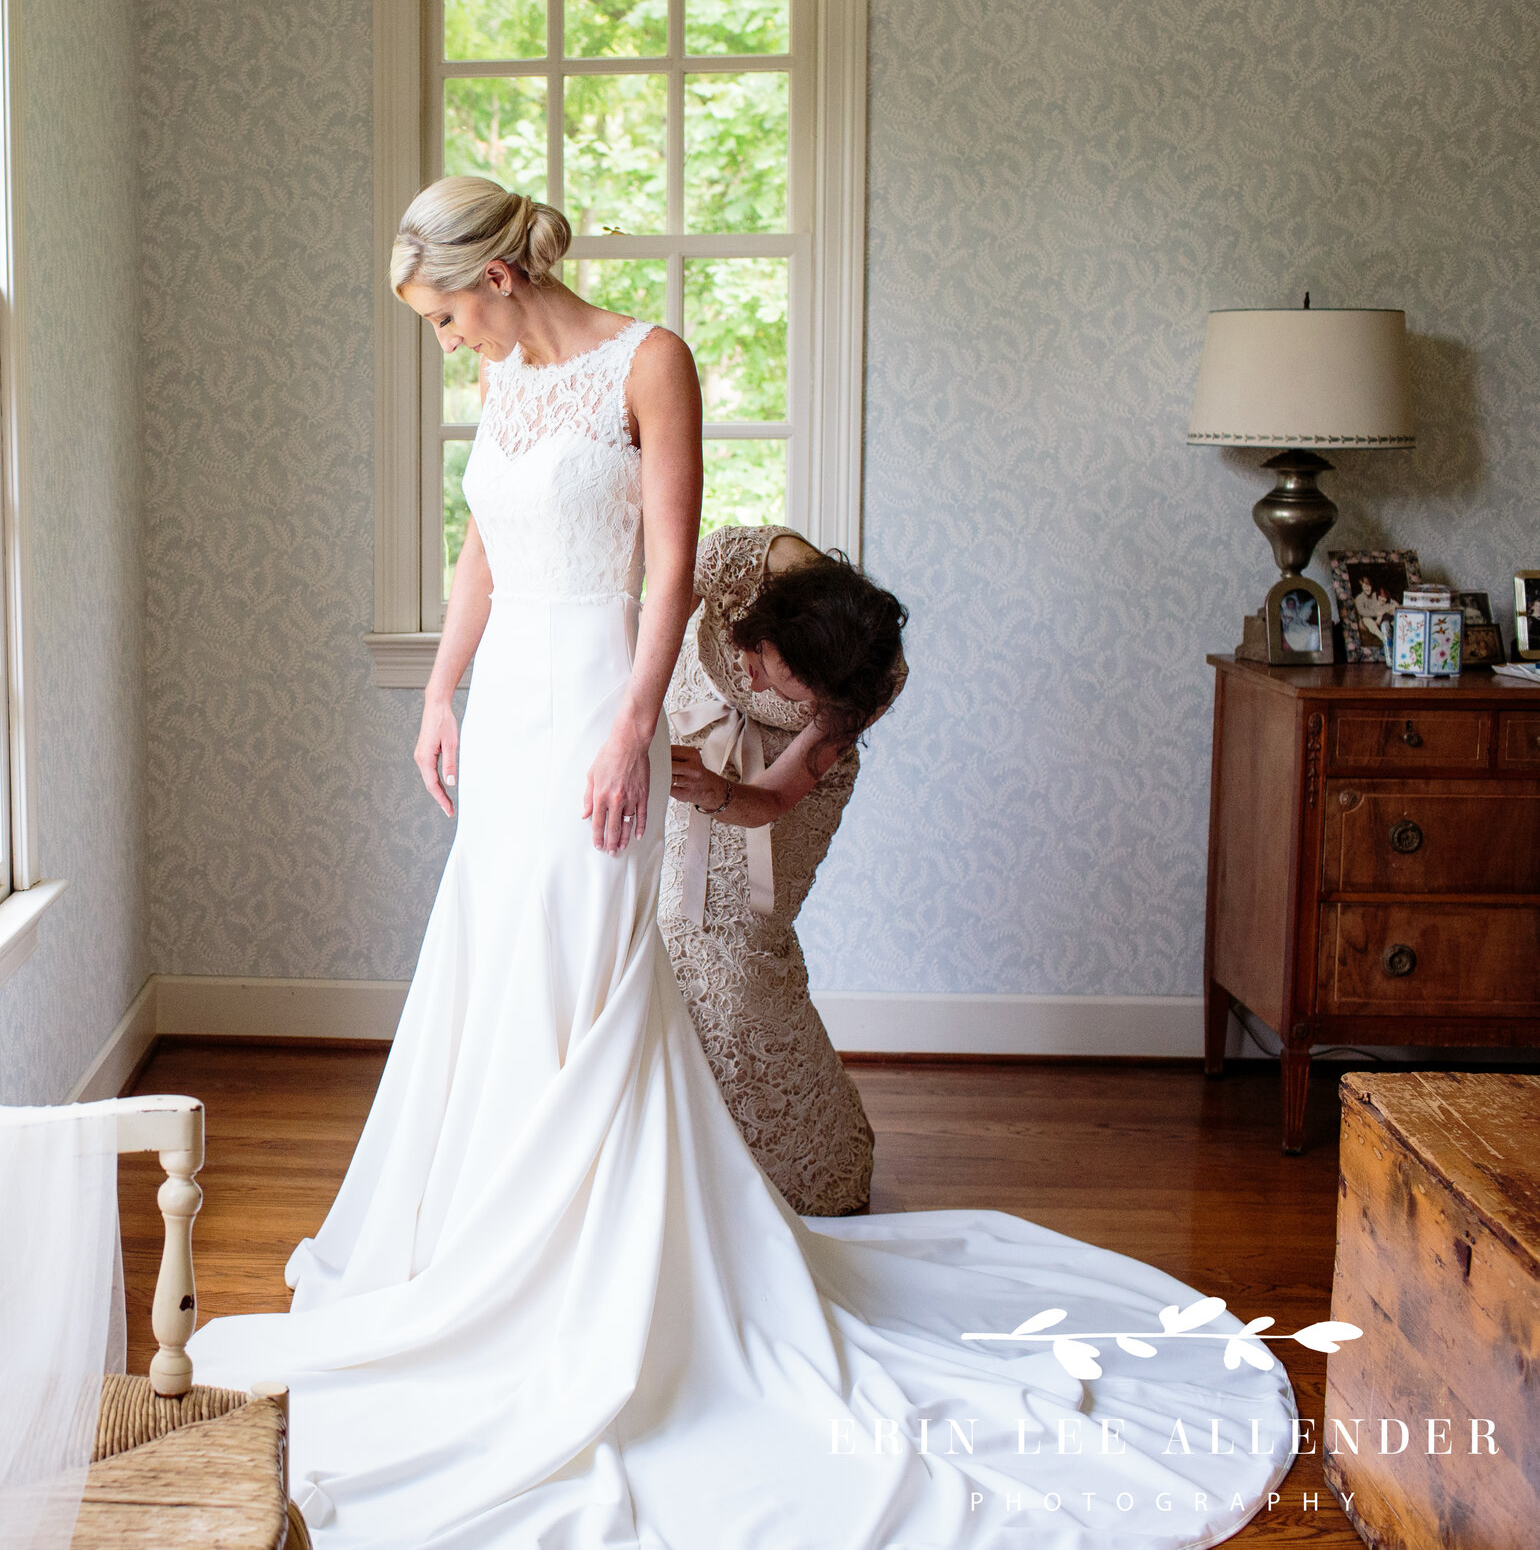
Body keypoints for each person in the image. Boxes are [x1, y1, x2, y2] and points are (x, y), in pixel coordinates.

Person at [185, 175, 1296, 1548]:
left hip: (601, 694)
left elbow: (664, 572)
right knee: (497, 964)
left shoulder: (650, 360)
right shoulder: (511, 387)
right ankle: (481, 1254)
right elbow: (483, 539)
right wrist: (438, 692)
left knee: (593, 974)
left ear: (502, 274)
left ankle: (598, 1290)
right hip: (515, 704)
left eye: (448, 311)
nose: (445, 339)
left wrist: (635, 723)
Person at [658, 528, 906, 1216]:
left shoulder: (861, 689)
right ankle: (677, 1159)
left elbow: (772, 799)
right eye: (761, 658)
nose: (753, 674)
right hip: (694, 710)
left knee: (742, 943)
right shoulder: (752, 560)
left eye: (773, 680)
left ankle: (812, 1162)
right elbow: (663, 595)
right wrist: (639, 715)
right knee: (678, 927)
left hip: (781, 778)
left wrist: (717, 792)